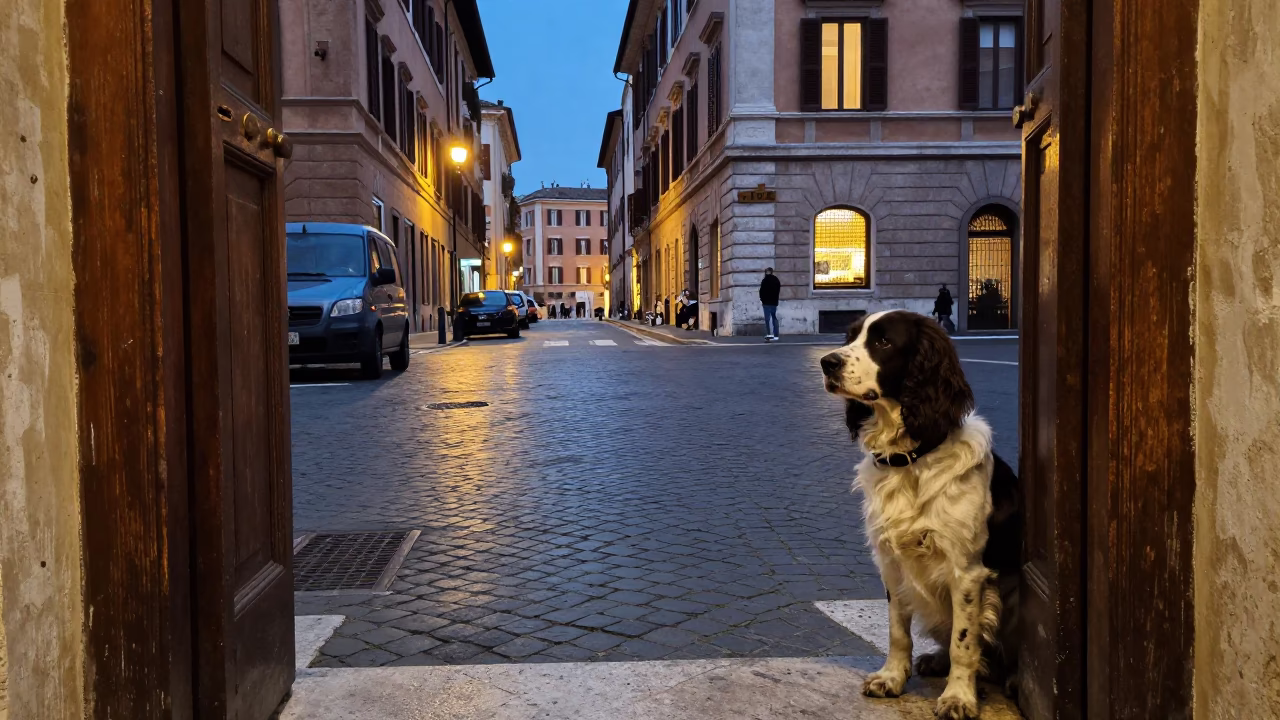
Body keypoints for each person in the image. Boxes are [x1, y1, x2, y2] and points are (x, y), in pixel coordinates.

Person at [759, 267, 781, 342]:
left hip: (766, 303)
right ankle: (776, 335)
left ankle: (769, 335)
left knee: (767, 320)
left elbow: (761, 292)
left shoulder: (764, 280)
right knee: (774, 318)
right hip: (774, 302)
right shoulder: (776, 280)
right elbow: (778, 291)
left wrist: (762, 300)